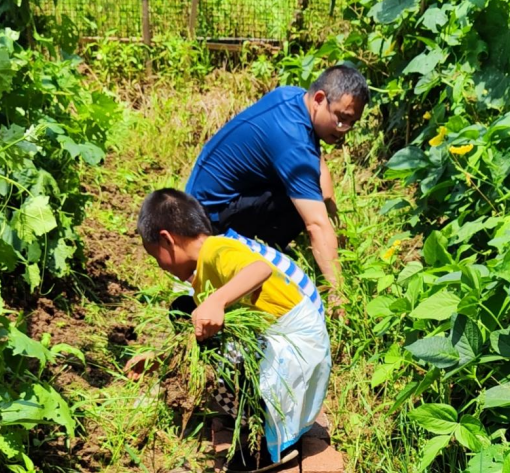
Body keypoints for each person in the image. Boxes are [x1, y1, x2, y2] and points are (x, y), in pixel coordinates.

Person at [126, 189, 331, 471]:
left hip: (300, 351)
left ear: (167, 240)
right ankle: (263, 417)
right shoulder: (210, 262)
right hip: (293, 348)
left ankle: (270, 440)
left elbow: (259, 270)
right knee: (185, 310)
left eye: (155, 257)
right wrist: (159, 359)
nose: (160, 266)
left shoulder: (217, 250)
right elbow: (195, 334)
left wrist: (217, 301)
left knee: (217, 352)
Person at [185, 65, 370, 304]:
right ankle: (256, 256)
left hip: (200, 203)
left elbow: (316, 161)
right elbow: (315, 224)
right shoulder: (292, 141)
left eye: (352, 122)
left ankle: (269, 246)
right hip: (208, 223)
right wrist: (338, 291)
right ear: (319, 99)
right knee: (301, 201)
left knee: (308, 191)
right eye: (342, 119)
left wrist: (334, 217)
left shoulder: (293, 97)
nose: (345, 130)